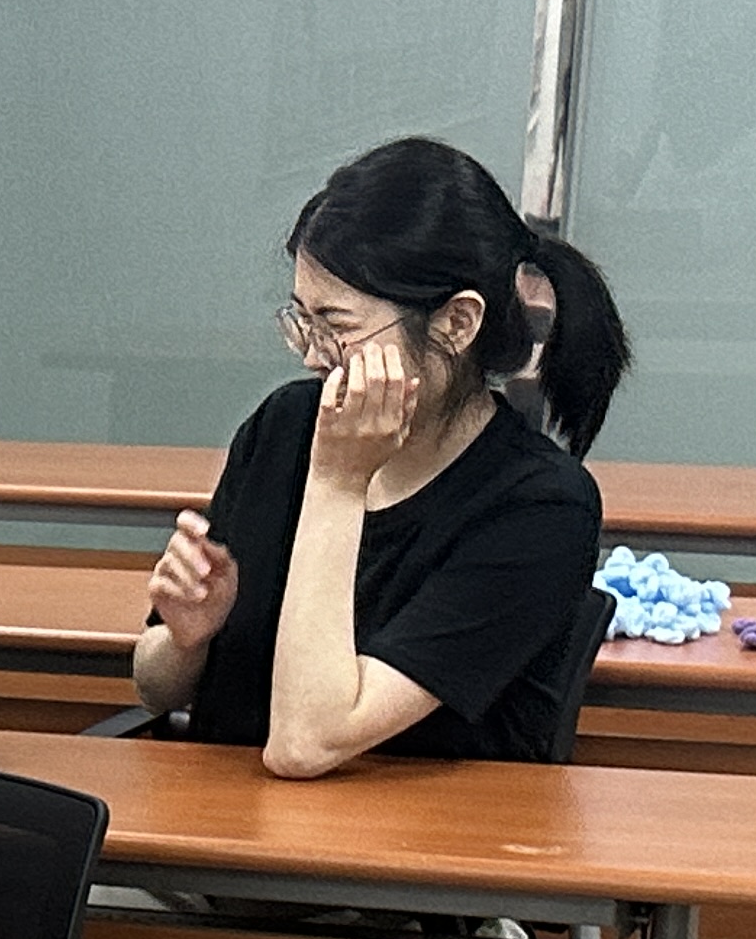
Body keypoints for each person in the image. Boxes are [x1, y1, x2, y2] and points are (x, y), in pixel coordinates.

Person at [132, 137, 630, 776]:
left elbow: (306, 744)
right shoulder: (284, 426)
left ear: (457, 324)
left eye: (338, 328)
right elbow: (154, 689)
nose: (313, 355)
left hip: (409, 837)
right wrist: (186, 640)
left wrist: (339, 481)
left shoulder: (540, 505)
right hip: (226, 819)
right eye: (303, 320)